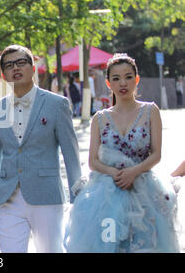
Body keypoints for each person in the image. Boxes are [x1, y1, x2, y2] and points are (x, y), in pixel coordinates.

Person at [64, 53, 181, 253]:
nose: (122, 83)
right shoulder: (99, 118)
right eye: (116, 79)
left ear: (136, 80)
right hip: (106, 192)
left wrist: (133, 172)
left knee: (146, 244)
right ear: (108, 84)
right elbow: (93, 161)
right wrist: (113, 173)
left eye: (128, 77)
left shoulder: (150, 111)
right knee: (111, 244)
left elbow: (156, 154)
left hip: (145, 188)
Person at [0, 44, 81, 253]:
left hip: (46, 197)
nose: (16, 68)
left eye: (21, 62)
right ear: (4, 74)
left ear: (33, 67)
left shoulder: (57, 104)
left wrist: (77, 199)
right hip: (8, 199)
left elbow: (71, 154)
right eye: (9, 65)